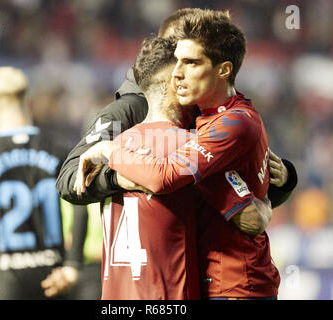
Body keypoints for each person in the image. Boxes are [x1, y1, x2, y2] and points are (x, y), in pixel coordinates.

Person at [76, 9, 293, 299]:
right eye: (176, 61)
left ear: (224, 69)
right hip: (206, 284)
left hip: (236, 287)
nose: (178, 73)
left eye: (191, 63)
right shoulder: (203, 120)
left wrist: (107, 149)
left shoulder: (232, 123)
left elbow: (165, 177)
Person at [56, 7, 297, 210]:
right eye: (177, 52)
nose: (182, 63)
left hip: (190, 255)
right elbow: (68, 179)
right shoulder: (127, 110)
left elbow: (245, 183)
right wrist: (122, 177)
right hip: (140, 255)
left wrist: (283, 180)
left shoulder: (207, 109)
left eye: (192, 57)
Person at [0, 66, 79, 299]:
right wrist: (72, 263)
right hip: (56, 277)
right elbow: (83, 211)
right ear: (27, 99)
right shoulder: (62, 151)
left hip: (5, 284)